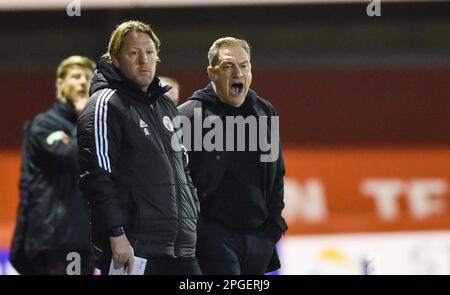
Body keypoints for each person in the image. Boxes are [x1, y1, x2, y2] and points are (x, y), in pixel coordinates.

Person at [77, 20, 201, 275]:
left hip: (181, 249)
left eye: (150, 53)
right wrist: (116, 234)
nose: (144, 60)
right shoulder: (105, 104)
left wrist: (192, 216)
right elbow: (98, 177)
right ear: (114, 60)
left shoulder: (165, 106)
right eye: (134, 53)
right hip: (136, 247)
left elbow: (184, 167)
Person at [178, 37, 288, 274]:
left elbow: (277, 172)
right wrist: (199, 232)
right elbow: (177, 182)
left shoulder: (265, 111)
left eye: (244, 65)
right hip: (214, 237)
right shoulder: (189, 115)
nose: (238, 72)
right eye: (228, 66)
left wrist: (273, 227)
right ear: (212, 73)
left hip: (259, 237)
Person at [10, 55, 96, 275]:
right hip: (53, 240)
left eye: (88, 77)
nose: (83, 82)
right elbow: (70, 157)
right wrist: (85, 118)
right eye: (76, 77)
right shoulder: (44, 125)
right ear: (60, 84)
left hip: (85, 240)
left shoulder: (95, 127)